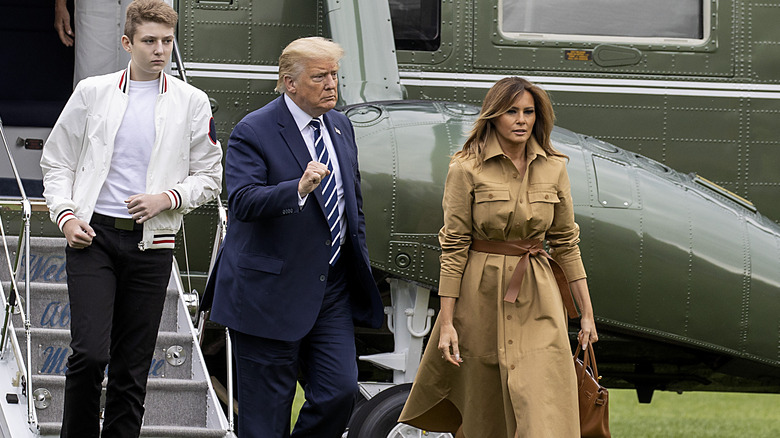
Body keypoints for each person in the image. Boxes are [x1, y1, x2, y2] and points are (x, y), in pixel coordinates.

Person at [39, 0, 223, 436]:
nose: (159, 50)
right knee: (89, 354)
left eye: (166, 41)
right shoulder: (92, 92)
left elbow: (210, 177)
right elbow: (57, 161)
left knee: (132, 368)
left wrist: (168, 197)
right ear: (127, 43)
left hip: (152, 244)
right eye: (148, 41)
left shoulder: (191, 101)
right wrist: (65, 216)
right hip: (91, 237)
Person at [398, 77, 598, 437]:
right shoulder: (465, 168)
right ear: (493, 116)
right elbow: (454, 246)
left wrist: (586, 313)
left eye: (528, 112)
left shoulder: (555, 167)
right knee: (484, 410)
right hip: (479, 296)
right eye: (511, 111)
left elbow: (566, 242)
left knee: (543, 407)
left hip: (538, 295)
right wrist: (447, 323)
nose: (521, 120)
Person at [205, 36, 384, 438]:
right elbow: (244, 201)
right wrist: (297, 190)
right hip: (268, 291)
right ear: (290, 83)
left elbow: (349, 200)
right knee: (265, 419)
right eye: (319, 76)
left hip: (330, 288)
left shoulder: (340, 125)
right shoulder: (255, 129)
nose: (331, 85)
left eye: (335, 75)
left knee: (339, 392)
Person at [55, 0, 135, 87]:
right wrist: (60, 5)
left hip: (135, 5)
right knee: (90, 79)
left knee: (135, 78)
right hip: (93, 7)